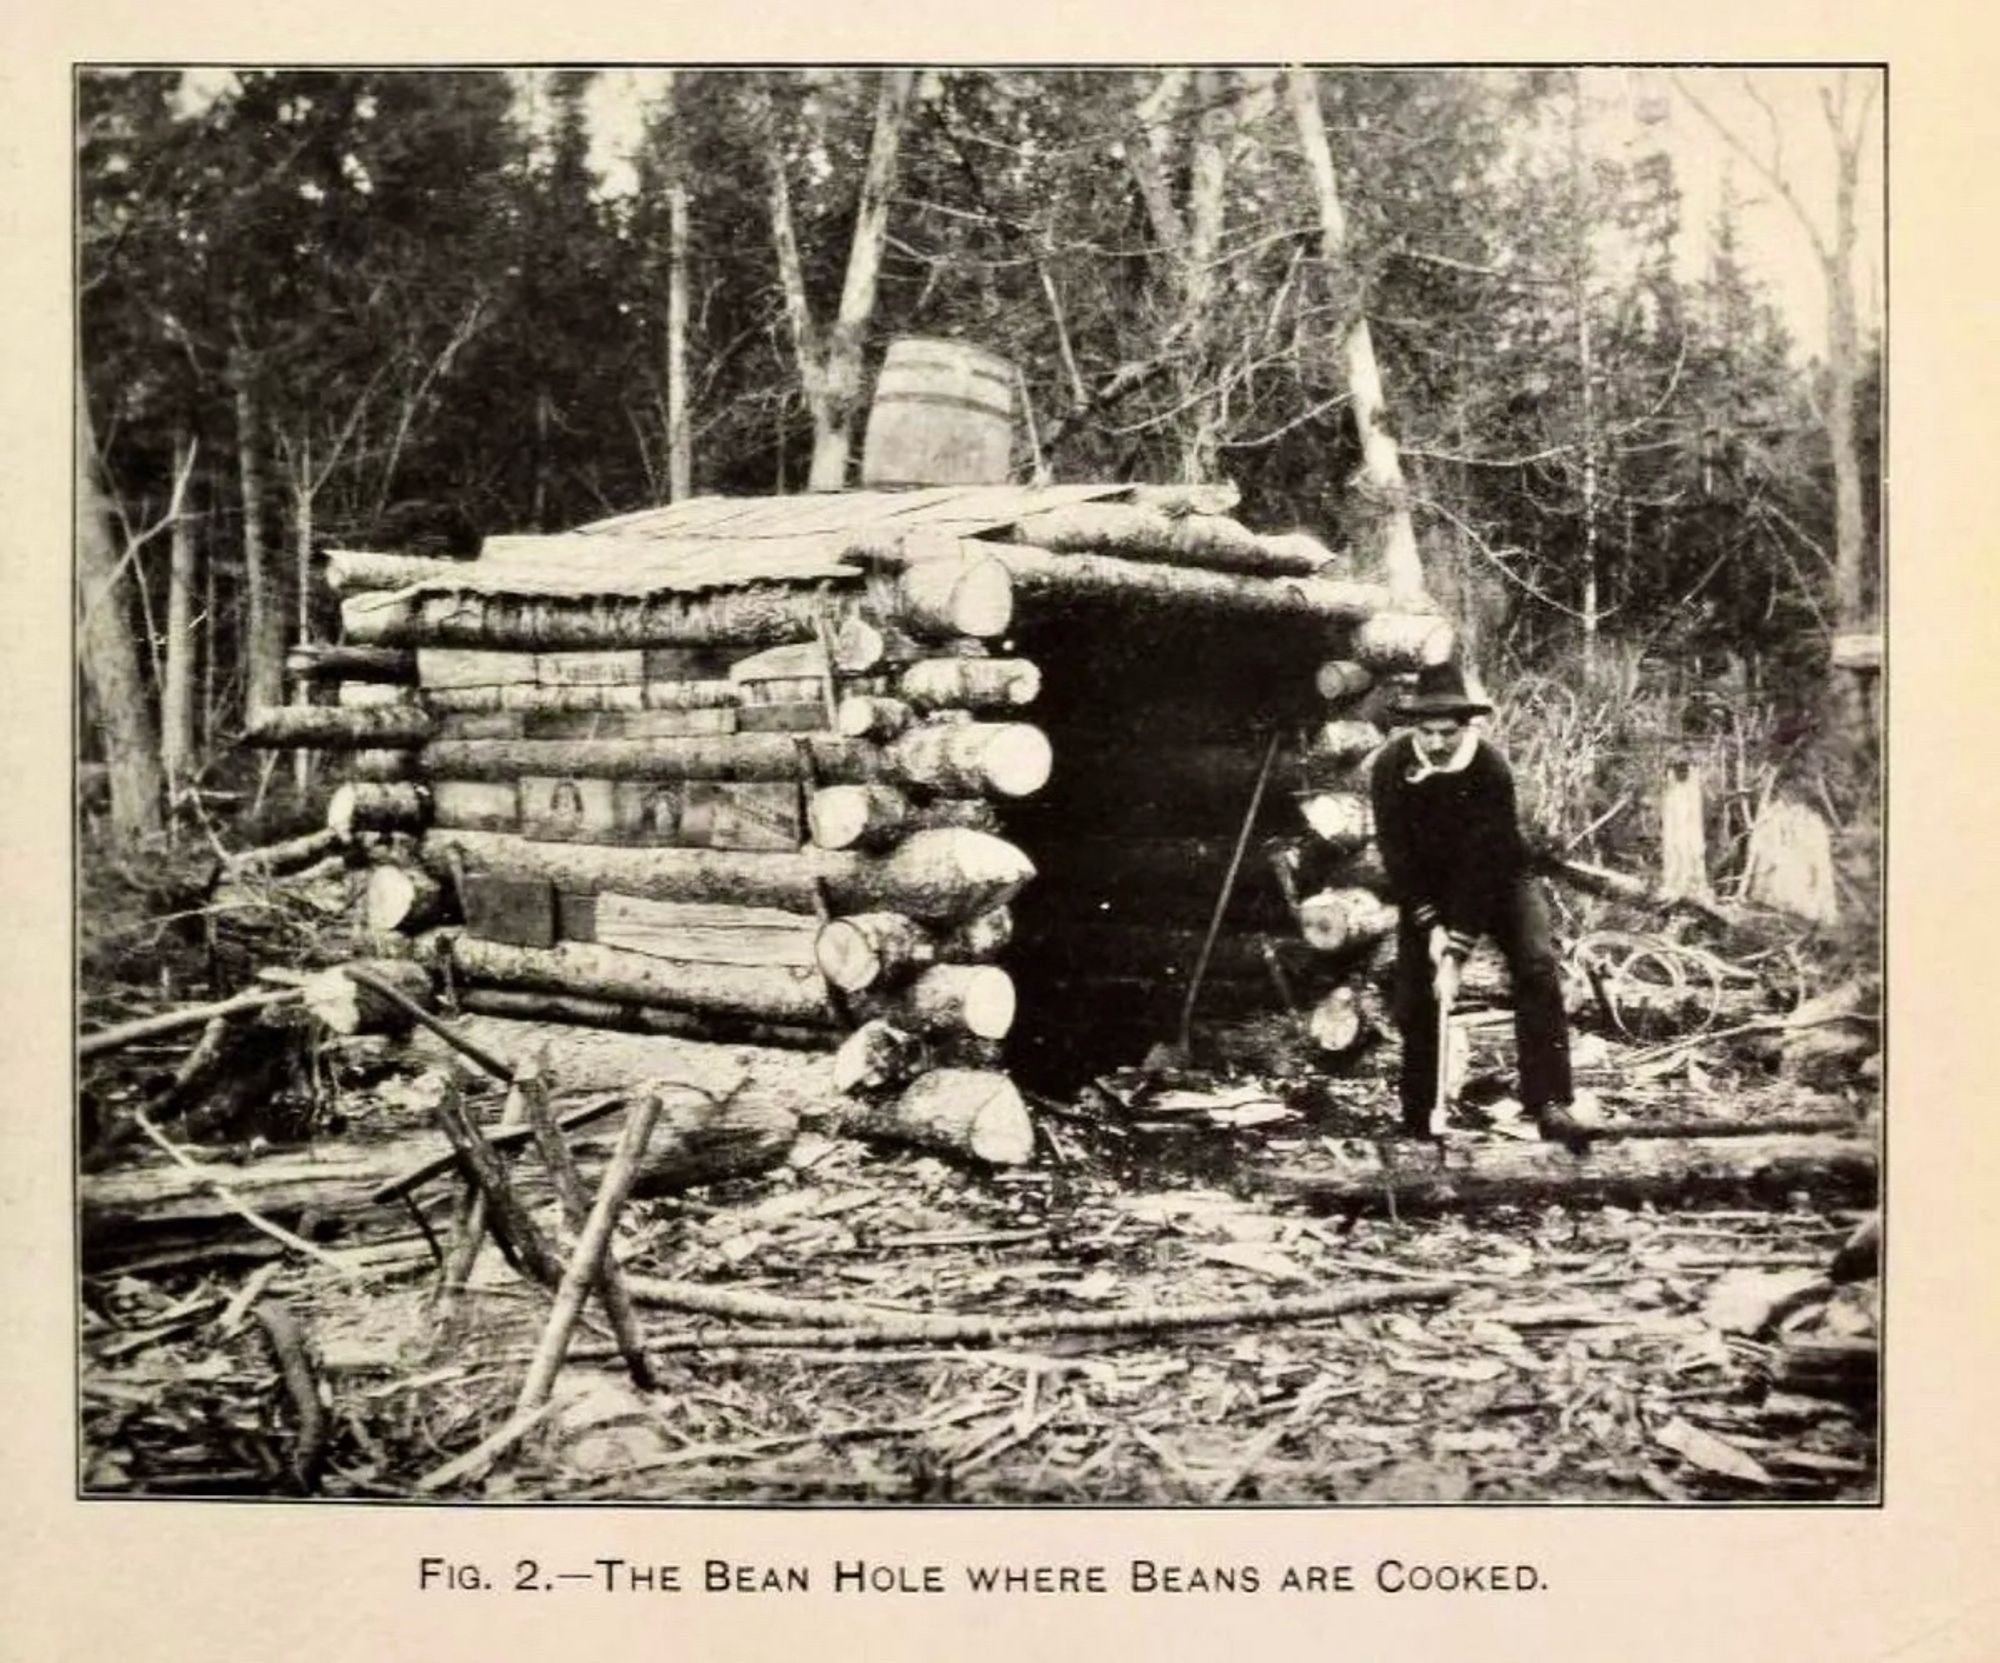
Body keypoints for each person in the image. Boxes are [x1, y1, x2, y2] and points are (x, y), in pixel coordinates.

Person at [1368, 661, 1593, 1148]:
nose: (1435, 743)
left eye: (1446, 732)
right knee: (1416, 993)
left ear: (1465, 725)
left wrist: (1457, 952)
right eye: (1425, 731)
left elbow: (1483, 866)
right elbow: (1396, 854)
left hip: (1501, 878)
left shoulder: (1489, 768)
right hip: (1426, 884)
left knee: (1536, 964)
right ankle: (1420, 1112)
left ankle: (1549, 1101)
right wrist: (1431, 929)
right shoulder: (1389, 767)